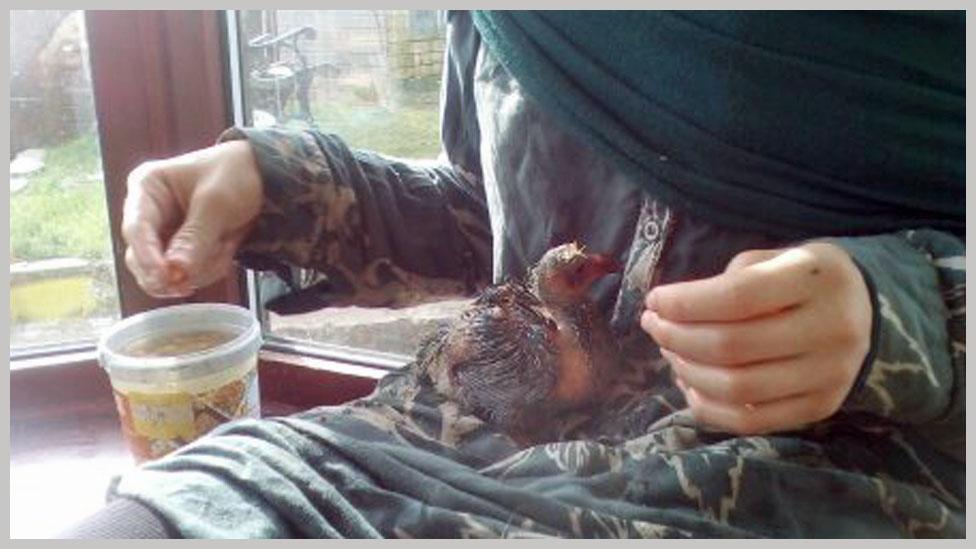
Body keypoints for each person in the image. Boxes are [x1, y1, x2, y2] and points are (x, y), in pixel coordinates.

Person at [64, 11, 964, 538]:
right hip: (422, 450)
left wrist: (902, 311)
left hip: (802, 488)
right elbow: (492, 215)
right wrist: (285, 187)